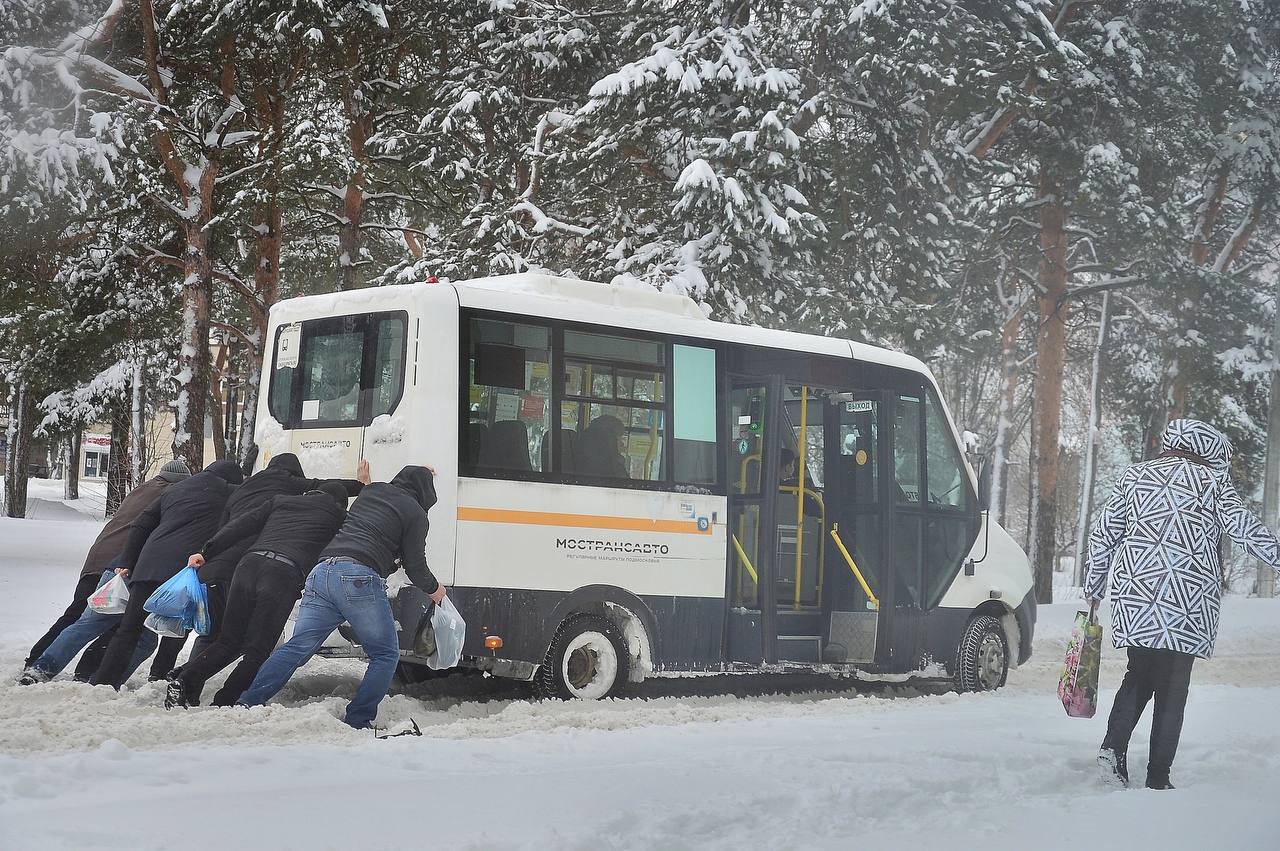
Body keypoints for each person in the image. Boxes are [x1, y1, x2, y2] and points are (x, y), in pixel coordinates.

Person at [1086, 419, 1280, 790]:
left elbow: (1103, 535)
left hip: (1136, 593)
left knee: (1138, 675)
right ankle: (1158, 776)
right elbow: (1244, 530)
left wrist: (1094, 587)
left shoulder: (1134, 477)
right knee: (1173, 685)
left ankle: (1113, 753)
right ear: (1208, 450)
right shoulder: (1212, 483)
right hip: (1186, 602)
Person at [238, 466, 446, 729]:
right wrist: (435, 589)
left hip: (322, 572)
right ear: (426, 494)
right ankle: (359, 718)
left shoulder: (371, 493)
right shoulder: (415, 512)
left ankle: (249, 700)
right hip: (357, 577)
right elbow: (415, 566)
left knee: (298, 647)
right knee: (385, 654)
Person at [165, 478, 364, 709]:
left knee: (228, 640)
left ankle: (185, 680)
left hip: (248, 565)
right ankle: (226, 700)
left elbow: (240, 526)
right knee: (258, 650)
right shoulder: (338, 516)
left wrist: (206, 551)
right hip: (282, 573)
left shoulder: (281, 502)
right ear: (340, 503)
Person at [18, 460, 192, 685]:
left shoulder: (143, 489)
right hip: (121, 565)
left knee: (89, 621)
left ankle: (49, 667)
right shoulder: (169, 494)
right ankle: (49, 667)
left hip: (101, 559)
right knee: (102, 624)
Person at [87, 459, 245, 689]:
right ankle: (161, 674)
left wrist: (128, 560)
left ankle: (104, 681)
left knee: (128, 629)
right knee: (180, 624)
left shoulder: (176, 489)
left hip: (149, 565)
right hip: (185, 570)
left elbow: (140, 525)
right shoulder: (231, 492)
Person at [575, 414, 628, 478]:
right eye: (618, 439)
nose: (622, 444)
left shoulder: (583, 462)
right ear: (608, 442)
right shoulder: (608, 469)